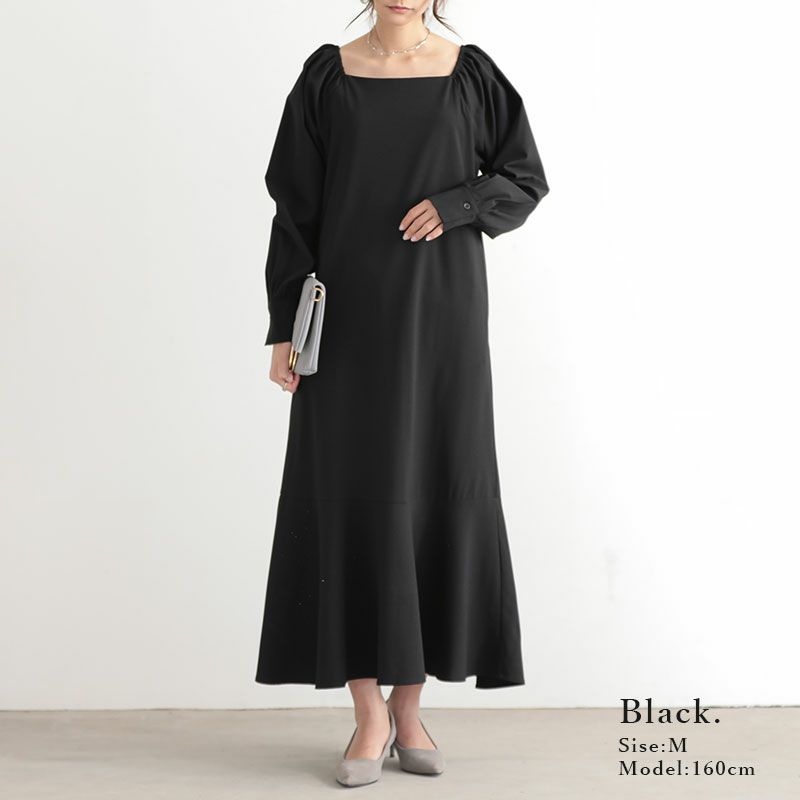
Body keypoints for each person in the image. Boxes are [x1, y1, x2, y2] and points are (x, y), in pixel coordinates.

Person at [254, 0, 549, 787]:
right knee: (351, 495)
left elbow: (524, 177)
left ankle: (410, 706)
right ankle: (370, 714)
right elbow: (295, 208)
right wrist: (286, 324)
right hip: (347, 323)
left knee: (432, 488)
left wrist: (458, 205)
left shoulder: (471, 76)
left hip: (443, 319)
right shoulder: (326, 77)